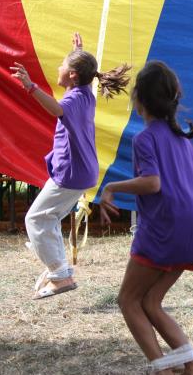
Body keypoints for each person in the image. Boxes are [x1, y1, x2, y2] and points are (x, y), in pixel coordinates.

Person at [100, 60, 193, 375]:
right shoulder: (183, 141)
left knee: (128, 300)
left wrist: (111, 188)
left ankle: (163, 373)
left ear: (139, 101)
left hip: (166, 229)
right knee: (150, 302)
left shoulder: (145, 139)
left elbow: (152, 183)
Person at [10, 33, 130, 299]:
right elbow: (76, 80)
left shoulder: (74, 100)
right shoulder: (85, 93)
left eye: (63, 66)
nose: (58, 69)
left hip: (72, 173)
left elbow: (55, 108)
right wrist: (78, 51)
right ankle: (59, 269)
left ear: (74, 75)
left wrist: (30, 85)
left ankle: (60, 275)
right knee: (48, 219)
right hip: (81, 172)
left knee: (36, 219)